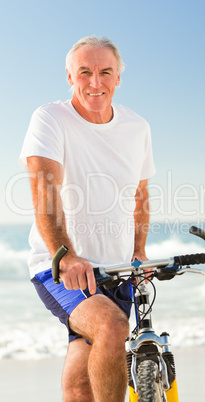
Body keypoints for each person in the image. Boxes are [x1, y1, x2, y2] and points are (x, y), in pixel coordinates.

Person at [19, 36, 155, 402]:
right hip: (60, 265)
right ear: (69, 77)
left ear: (118, 78)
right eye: (85, 72)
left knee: (83, 370)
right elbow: (44, 189)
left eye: (105, 72)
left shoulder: (137, 127)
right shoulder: (50, 118)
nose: (95, 83)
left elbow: (139, 196)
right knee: (112, 327)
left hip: (116, 269)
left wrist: (139, 250)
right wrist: (65, 254)